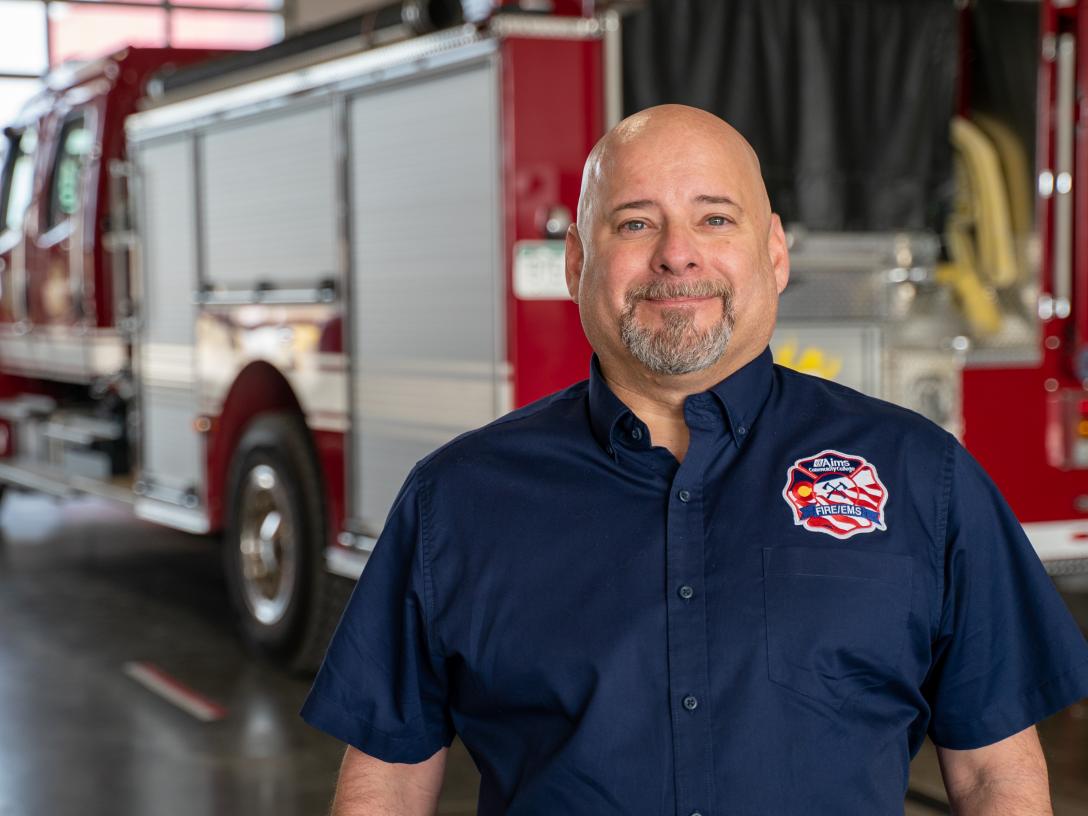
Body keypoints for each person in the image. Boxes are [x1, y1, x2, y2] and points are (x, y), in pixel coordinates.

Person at [301, 104, 1088, 815]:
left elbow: (994, 778)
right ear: (577, 261)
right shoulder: (458, 499)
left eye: (715, 219)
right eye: (636, 224)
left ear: (773, 252)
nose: (678, 256)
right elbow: (391, 780)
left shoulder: (924, 477)